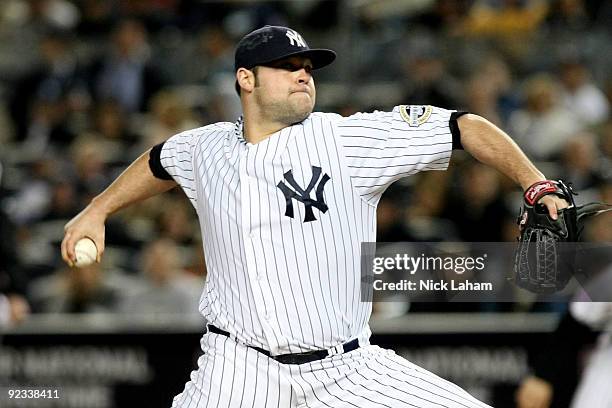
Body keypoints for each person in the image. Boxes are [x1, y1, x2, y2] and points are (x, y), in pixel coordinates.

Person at [61, 25, 568, 407]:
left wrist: (535, 182)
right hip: (239, 366)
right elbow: (158, 160)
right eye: (287, 64)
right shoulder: (206, 147)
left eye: (307, 65)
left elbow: (465, 127)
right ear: (246, 79)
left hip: (346, 366)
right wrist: (96, 209)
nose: (304, 72)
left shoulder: (344, 139)